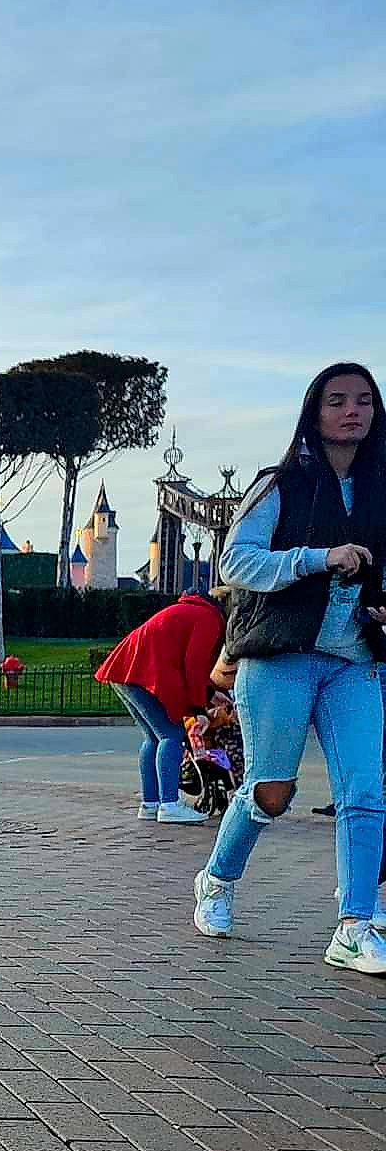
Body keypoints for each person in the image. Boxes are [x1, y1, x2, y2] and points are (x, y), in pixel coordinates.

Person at [193, 362, 386, 971]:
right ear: (314, 411)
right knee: (271, 793)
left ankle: (354, 923)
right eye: (337, 401)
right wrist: (317, 558)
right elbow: (236, 561)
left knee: (366, 788)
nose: (352, 410)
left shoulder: (381, 489)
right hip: (281, 656)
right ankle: (218, 880)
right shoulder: (280, 484)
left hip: (353, 660)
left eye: (363, 400)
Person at [93, 589, 226, 824]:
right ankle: (170, 804)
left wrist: (211, 694)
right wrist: (198, 710)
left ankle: (151, 804)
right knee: (171, 736)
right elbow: (194, 664)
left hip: (126, 670)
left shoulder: (192, 611)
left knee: (153, 738)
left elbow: (183, 658)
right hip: (143, 673)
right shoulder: (210, 619)